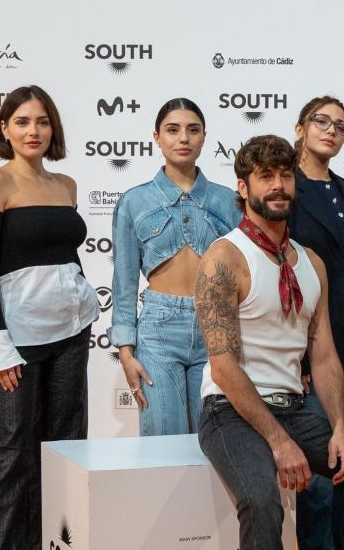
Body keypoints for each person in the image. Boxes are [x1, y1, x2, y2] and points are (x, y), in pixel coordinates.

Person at [195, 135, 344, 549]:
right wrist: (279, 442)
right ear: (243, 187)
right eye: (265, 176)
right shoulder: (225, 257)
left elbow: (323, 357)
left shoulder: (312, 263)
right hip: (229, 413)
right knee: (261, 500)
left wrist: (340, 427)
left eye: (286, 175)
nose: (278, 185)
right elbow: (223, 367)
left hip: (296, 411)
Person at [0, 85, 99, 550]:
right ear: (4, 130)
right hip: (18, 338)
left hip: (73, 332)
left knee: (66, 447)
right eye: (22, 122)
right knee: (13, 452)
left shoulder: (66, 185)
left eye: (42, 122)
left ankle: (59, 542)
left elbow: (64, 256)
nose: (33, 131)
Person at [109, 98, 240, 436]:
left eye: (192, 130)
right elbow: (123, 283)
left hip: (218, 327)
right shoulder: (133, 201)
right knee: (161, 439)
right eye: (173, 129)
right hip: (157, 328)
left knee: (216, 441)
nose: (183, 138)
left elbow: (246, 275)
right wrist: (125, 350)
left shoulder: (230, 200)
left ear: (204, 137)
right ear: (156, 137)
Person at [288, 96, 344, 550]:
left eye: (341, 125)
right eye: (322, 121)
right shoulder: (286, 187)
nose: (332, 130)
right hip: (308, 340)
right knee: (319, 470)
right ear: (300, 127)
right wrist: (295, 356)